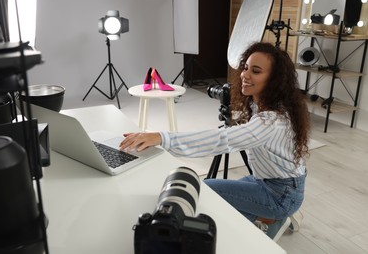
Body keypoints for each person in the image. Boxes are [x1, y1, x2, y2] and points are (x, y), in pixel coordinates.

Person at [120, 42, 310, 240]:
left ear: (274, 80)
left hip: (280, 194)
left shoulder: (271, 120)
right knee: (220, 208)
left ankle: (274, 217)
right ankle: (268, 218)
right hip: (269, 180)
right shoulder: (264, 103)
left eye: (256, 71)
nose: (245, 75)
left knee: (209, 194)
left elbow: (223, 139)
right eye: (245, 67)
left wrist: (162, 137)